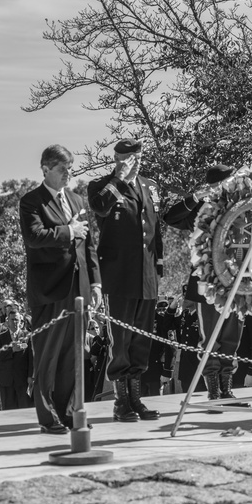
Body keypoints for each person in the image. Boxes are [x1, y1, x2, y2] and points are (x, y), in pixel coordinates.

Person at [20, 144, 101, 434]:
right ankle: (48, 416)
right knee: (48, 357)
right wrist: (69, 231)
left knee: (73, 356)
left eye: (70, 167)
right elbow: (35, 237)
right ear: (46, 170)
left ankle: (69, 413)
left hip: (78, 290)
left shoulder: (78, 200)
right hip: (49, 290)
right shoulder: (32, 202)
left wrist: (95, 283)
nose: (69, 173)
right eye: (63, 168)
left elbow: (89, 246)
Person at [88, 138, 164, 422]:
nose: (138, 161)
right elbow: (101, 208)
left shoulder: (150, 185)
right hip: (118, 276)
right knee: (120, 341)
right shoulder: (101, 186)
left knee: (140, 340)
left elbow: (156, 230)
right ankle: (122, 403)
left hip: (146, 276)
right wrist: (119, 179)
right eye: (131, 157)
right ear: (119, 159)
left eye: (140, 156)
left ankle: (136, 399)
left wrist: (158, 267)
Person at [162, 164, 249, 409]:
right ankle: (213, 391)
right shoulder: (201, 207)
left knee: (232, 336)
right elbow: (171, 217)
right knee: (210, 337)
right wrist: (196, 197)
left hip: (237, 280)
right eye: (229, 180)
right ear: (215, 184)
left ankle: (227, 390)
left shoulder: (242, 205)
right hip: (208, 281)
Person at [0, 302, 33, 410]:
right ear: (7, 321)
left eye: (17, 319)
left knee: (24, 407)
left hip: (22, 379)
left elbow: (31, 357)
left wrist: (31, 376)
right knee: (8, 408)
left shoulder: (27, 336)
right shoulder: (1, 337)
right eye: (12, 319)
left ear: (21, 321)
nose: (15, 322)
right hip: (7, 379)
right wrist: (12, 351)